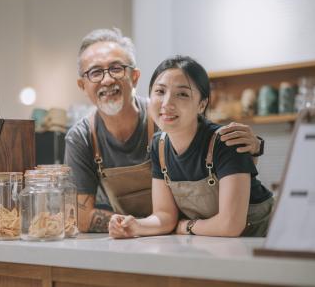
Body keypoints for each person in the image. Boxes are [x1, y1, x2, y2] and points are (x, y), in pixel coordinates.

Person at [65, 29, 265, 233]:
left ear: (135, 77)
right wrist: (133, 226)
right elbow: (81, 216)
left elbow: (230, 211)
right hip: (166, 236)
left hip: (215, 236)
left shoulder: (169, 119)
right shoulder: (84, 138)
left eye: (116, 68)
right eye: (95, 72)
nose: (107, 80)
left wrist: (255, 147)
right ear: (82, 85)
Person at [108, 55, 274, 238]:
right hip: (214, 245)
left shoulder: (226, 141)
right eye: (160, 91)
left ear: (201, 104)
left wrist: (187, 226)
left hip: (264, 242)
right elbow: (165, 216)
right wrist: (135, 225)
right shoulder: (159, 146)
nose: (167, 103)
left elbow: (231, 225)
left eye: (182, 94)